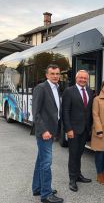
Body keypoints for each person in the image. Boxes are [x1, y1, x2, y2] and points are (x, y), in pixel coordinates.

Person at [32, 64, 64, 203]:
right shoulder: (41, 88)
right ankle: (46, 194)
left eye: (57, 73)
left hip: (51, 130)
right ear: (47, 75)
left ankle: (38, 188)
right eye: (52, 73)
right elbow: (36, 112)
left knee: (41, 161)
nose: (55, 76)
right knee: (46, 163)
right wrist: (44, 130)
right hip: (45, 132)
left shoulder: (56, 87)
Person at [62, 70, 93, 192]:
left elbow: (88, 111)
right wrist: (68, 129)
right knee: (73, 154)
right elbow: (65, 111)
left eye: (85, 78)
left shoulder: (90, 91)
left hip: (84, 129)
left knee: (79, 153)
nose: (83, 80)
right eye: (81, 78)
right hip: (73, 130)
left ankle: (78, 175)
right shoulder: (69, 91)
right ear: (76, 78)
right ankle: (72, 179)